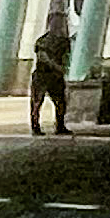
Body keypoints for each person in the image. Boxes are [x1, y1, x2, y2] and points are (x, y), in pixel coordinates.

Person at [28, 7, 75, 135]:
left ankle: (60, 125)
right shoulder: (43, 41)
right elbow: (43, 57)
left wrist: (63, 69)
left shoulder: (64, 41)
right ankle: (35, 126)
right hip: (43, 75)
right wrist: (57, 67)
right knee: (37, 102)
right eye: (57, 22)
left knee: (61, 103)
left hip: (56, 76)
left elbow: (66, 57)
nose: (59, 25)